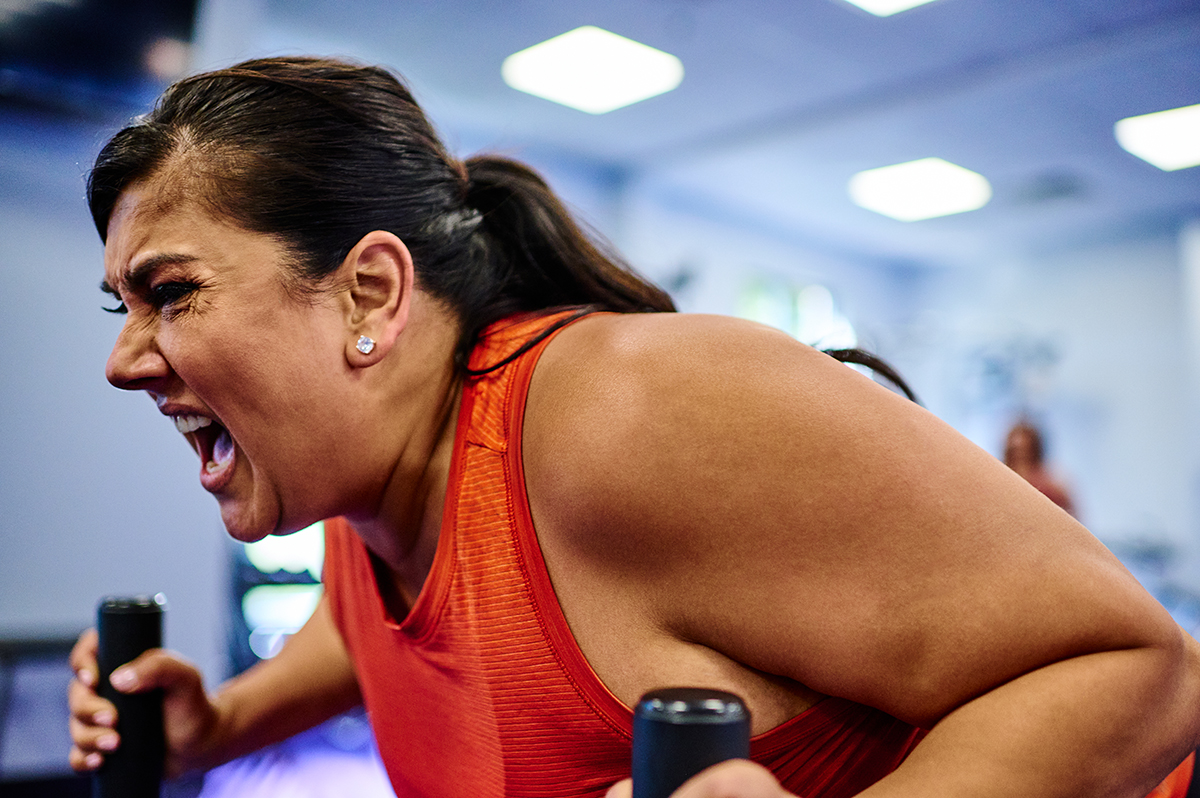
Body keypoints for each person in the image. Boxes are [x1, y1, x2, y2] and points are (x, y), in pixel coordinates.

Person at [67, 56, 1200, 798]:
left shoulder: (614, 412)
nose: (125, 361)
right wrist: (219, 724)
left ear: (369, 294)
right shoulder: (368, 494)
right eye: (124, 307)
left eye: (173, 293)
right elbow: (376, 636)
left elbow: (1142, 666)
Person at [1003, 419, 1075, 516]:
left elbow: (1070, 510)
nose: (1020, 455)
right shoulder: (1003, 480)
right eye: (1015, 451)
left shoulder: (1049, 481)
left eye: (1025, 450)